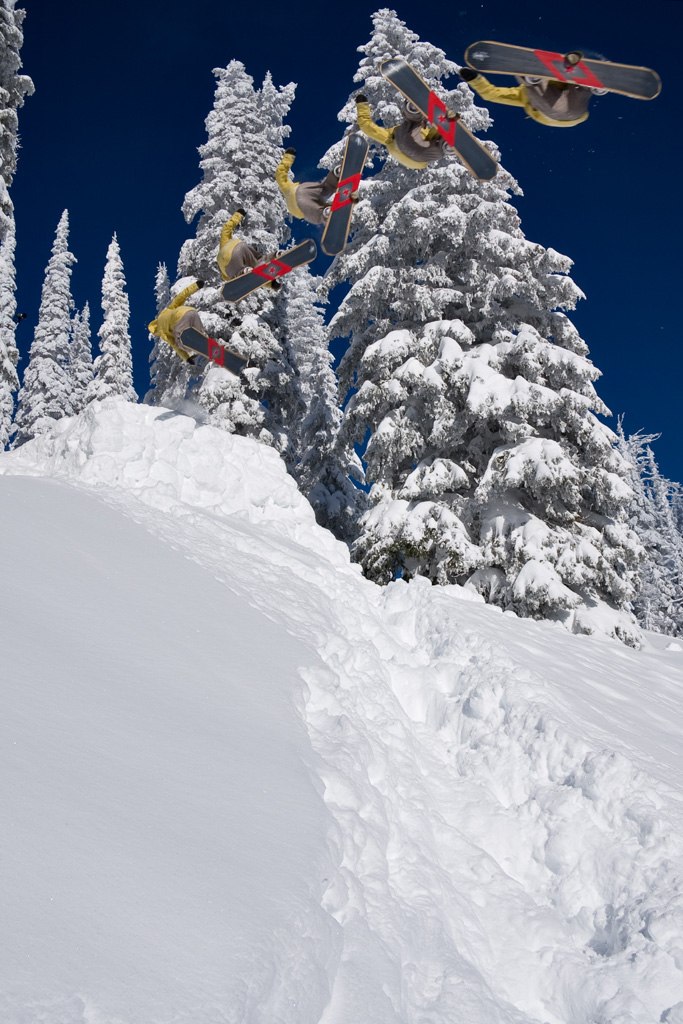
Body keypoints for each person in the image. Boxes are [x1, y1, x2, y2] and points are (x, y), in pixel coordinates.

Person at [459, 64, 606, 128]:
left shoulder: (560, 78)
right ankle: (534, 81)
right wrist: (474, 79)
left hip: (576, 112)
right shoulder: (523, 94)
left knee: (575, 92)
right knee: (555, 102)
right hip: (552, 114)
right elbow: (491, 94)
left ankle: (590, 86)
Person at [354, 93, 449, 169]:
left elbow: (366, 126)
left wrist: (361, 105)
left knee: (437, 145)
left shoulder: (391, 136)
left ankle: (413, 109)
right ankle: (445, 144)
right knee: (437, 148)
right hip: (419, 158)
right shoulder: (397, 134)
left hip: (416, 154)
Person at [275, 148, 341, 225]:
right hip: (303, 188)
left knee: (317, 214)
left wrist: (288, 157)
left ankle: (326, 213)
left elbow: (279, 175)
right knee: (326, 188)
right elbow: (280, 174)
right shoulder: (287, 187)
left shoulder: (285, 191)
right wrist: (288, 156)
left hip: (299, 202)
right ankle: (336, 173)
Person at [148, 279, 206, 364]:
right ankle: (208, 344)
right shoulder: (168, 309)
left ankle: (194, 351)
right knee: (201, 335)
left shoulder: (162, 332)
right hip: (191, 312)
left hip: (179, 321)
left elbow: (175, 346)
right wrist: (196, 286)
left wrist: (187, 358)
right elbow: (181, 296)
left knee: (181, 344)